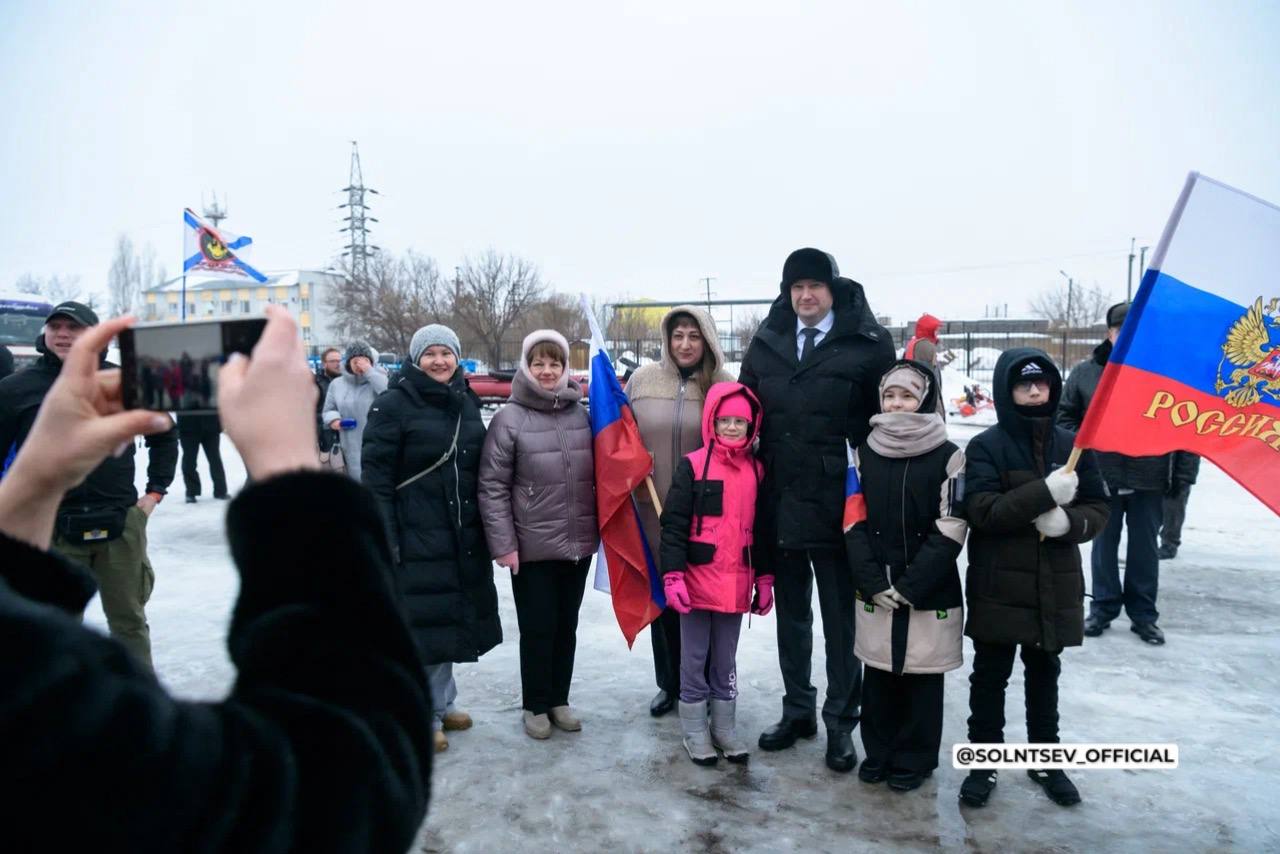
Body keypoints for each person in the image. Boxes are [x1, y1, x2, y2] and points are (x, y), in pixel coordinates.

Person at [0, 307, 433, 852]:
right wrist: (289, 469)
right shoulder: (45, 709)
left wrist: (34, 482)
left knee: (128, 616)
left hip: (107, 512)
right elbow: (344, 787)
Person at [738, 247, 895, 773]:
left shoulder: (868, 343)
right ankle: (798, 710)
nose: (805, 296)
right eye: (796, 287)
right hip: (780, 498)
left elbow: (888, 419)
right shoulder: (768, 341)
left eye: (815, 286)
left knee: (840, 621)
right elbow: (745, 410)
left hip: (840, 505)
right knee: (792, 617)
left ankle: (840, 722)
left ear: (833, 290)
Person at [960, 348, 1109, 809]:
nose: (1033, 390)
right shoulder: (985, 446)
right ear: (1007, 389)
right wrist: (1043, 493)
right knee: (990, 677)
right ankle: (983, 763)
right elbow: (983, 511)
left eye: (1041, 382)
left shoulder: (1073, 445)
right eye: (1023, 383)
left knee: (1045, 675)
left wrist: (1069, 524)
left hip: (1053, 583)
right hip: (998, 585)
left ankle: (1046, 760)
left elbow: (1098, 507)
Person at [0, 301, 177, 670]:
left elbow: (164, 433)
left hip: (120, 522)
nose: (63, 334)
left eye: (74, 327)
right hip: (52, 526)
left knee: (129, 623)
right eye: (56, 327)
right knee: (55, 627)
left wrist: (155, 491)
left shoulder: (122, 381)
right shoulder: (15, 389)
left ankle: (137, 697)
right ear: (45, 333)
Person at [362, 323, 501, 753]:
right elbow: (376, 481)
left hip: (458, 533)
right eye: (430, 354)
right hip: (414, 535)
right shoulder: (392, 405)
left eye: (446, 353)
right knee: (421, 629)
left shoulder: (465, 401)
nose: (439, 361)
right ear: (415, 359)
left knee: (446, 621)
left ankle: (444, 700)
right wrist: (386, 538)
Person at [845, 360, 966, 792]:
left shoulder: (949, 455)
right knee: (879, 675)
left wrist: (912, 585)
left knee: (922, 677)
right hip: (876, 583)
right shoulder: (863, 453)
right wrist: (873, 581)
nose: (897, 404)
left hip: (928, 585)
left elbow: (952, 523)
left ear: (925, 400)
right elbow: (852, 519)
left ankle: (915, 757)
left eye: (908, 396)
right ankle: (878, 752)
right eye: (890, 395)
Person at [479, 330, 598, 740]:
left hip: (577, 543)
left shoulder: (579, 414)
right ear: (526, 368)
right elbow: (492, 487)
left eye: (554, 363)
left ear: (565, 368)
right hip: (531, 547)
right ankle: (535, 704)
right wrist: (504, 545)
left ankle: (559, 699)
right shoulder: (508, 419)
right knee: (538, 628)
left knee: (566, 627)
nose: (547, 371)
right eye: (538, 363)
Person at [1057, 302, 1199, 645]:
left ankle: (1143, 614)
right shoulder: (1087, 373)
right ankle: (1102, 607)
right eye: (1123, 330)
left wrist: (1183, 478)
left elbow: (1188, 428)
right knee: (1103, 547)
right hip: (1102, 476)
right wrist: (1090, 443)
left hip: (1151, 477)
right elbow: (1064, 417)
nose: (1131, 336)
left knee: (1144, 550)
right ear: (1110, 333)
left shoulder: (1168, 375)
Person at [625, 305, 734, 718]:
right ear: (667, 340)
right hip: (651, 507)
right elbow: (622, 433)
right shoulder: (642, 380)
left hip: (707, 512)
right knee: (664, 598)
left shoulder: (724, 384)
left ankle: (705, 684)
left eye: (693, 335)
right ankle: (670, 683)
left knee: (704, 600)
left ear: (707, 339)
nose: (685, 344)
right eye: (678, 335)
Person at [658, 382, 770, 766]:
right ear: (712, 422)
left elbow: (763, 529)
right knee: (694, 658)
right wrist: (673, 576)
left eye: (740, 421)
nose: (732, 427)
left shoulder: (757, 471)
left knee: (725, 659)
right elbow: (673, 526)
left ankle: (724, 728)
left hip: (736, 584)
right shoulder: (692, 465)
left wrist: (765, 578)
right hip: (695, 582)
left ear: (751, 425)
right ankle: (694, 730)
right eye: (725, 420)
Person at [321, 340, 388, 482]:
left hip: (377, 442)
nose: (360, 364)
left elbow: (387, 394)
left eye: (365, 360)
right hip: (349, 442)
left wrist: (369, 372)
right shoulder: (337, 384)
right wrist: (334, 420)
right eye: (356, 361)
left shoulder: (378, 379)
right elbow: (328, 410)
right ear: (348, 362)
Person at [903, 312, 950, 417]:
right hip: (928, 405)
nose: (938, 333)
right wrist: (937, 410)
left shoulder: (914, 342)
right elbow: (930, 380)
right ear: (929, 330)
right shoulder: (925, 346)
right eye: (935, 330)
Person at [176, 413, 228, 503]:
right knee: (189, 461)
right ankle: (191, 492)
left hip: (211, 428)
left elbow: (218, 406)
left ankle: (221, 491)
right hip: (188, 429)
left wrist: (219, 425)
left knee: (215, 460)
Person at [1159, 453, 1200, 559]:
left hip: (1181, 473)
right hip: (1161, 470)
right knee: (1157, 509)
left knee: (1174, 509)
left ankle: (1169, 545)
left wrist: (1183, 477)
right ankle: (1162, 542)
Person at [315, 346, 343, 464]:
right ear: (324, 364)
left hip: (346, 436)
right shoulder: (314, 382)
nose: (338, 364)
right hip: (323, 438)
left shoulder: (348, 382)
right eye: (333, 361)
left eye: (339, 360)